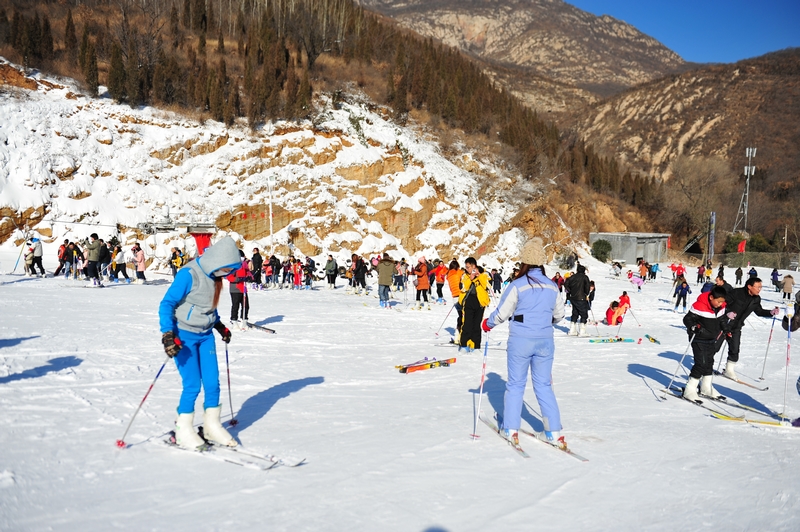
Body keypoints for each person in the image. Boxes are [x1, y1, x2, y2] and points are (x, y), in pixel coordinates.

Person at [481, 237, 567, 449]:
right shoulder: (552, 286)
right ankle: (553, 432)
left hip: (521, 340)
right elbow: (560, 315)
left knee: (516, 385)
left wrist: (487, 324)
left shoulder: (517, 285)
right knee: (544, 385)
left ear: (524, 262)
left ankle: (511, 429)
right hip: (545, 341)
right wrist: (546, 322)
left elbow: (502, 313)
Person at [158, 236, 241, 449]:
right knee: (193, 385)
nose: (228, 275)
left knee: (213, 384)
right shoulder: (189, 274)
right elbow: (167, 304)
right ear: (217, 262)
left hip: (206, 336)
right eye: (226, 270)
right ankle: (183, 429)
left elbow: (206, 307)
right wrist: (168, 334)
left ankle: (211, 426)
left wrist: (219, 325)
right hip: (183, 335)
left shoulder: (215, 277)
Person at [721, 277, 780, 380]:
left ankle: (729, 370)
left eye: (760, 287)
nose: (759, 289)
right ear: (749, 286)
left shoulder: (756, 299)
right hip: (723, 324)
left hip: (736, 327)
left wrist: (770, 313)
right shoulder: (736, 293)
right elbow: (722, 304)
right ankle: (704, 367)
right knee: (714, 347)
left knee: (735, 349)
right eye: (758, 287)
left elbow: (759, 311)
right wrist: (727, 313)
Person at [681, 286, 731, 401]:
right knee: (701, 364)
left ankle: (706, 387)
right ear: (711, 297)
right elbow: (687, 319)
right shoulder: (699, 305)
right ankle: (690, 389)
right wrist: (693, 327)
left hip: (711, 338)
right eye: (718, 301)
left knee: (709, 362)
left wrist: (726, 330)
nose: (720, 304)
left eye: (722, 302)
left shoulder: (721, 307)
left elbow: (722, 320)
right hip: (698, 338)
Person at [459, 257, 491, 351]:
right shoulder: (465, 275)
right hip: (469, 301)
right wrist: (471, 279)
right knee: (467, 324)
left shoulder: (484, 273)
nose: (467, 269)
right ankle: (464, 345)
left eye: (468, 267)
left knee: (477, 325)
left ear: (474, 266)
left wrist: (479, 276)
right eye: (466, 267)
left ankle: (476, 346)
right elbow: (463, 288)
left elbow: (488, 285)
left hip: (480, 302)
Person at [564, 264, 590, 336]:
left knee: (575, 312)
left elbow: (565, 283)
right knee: (583, 314)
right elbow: (587, 287)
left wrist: (570, 291)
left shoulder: (572, 277)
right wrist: (586, 293)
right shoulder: (585, 277)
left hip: (573, 297)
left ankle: (572, 330)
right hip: (581, 297)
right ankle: (582, 331)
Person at [227, 251, 252, 323]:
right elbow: (229, 277)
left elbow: (248, 273)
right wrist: (238, 279)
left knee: (245, 305)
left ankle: (244, 318)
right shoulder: (233, 265)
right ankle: (234, 319)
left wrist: (249, 277)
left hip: (243, 288)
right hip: (235, 288)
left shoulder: (244, 265)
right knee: (236, 305)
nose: (243, 258)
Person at [446, 260, 464, 342]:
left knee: (460, 316)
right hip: (461, 296)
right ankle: (461, 336)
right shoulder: (458, 272)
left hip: (454, 297)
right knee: (464, 317)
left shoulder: (449, 275)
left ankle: (457, 335)